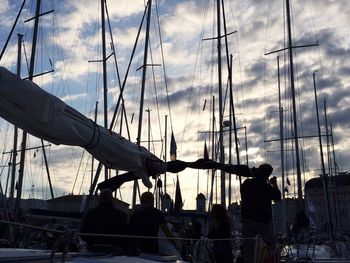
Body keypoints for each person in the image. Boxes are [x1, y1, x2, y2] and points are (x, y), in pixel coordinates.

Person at [240, 163, 281, 262]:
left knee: (248, 249)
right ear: (267, 175)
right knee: (273, 245)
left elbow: (242, 191)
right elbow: (277, 197)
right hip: (262, 222)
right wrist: (274, 184)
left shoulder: (247, 183)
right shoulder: (266, 187)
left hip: (247, 220)